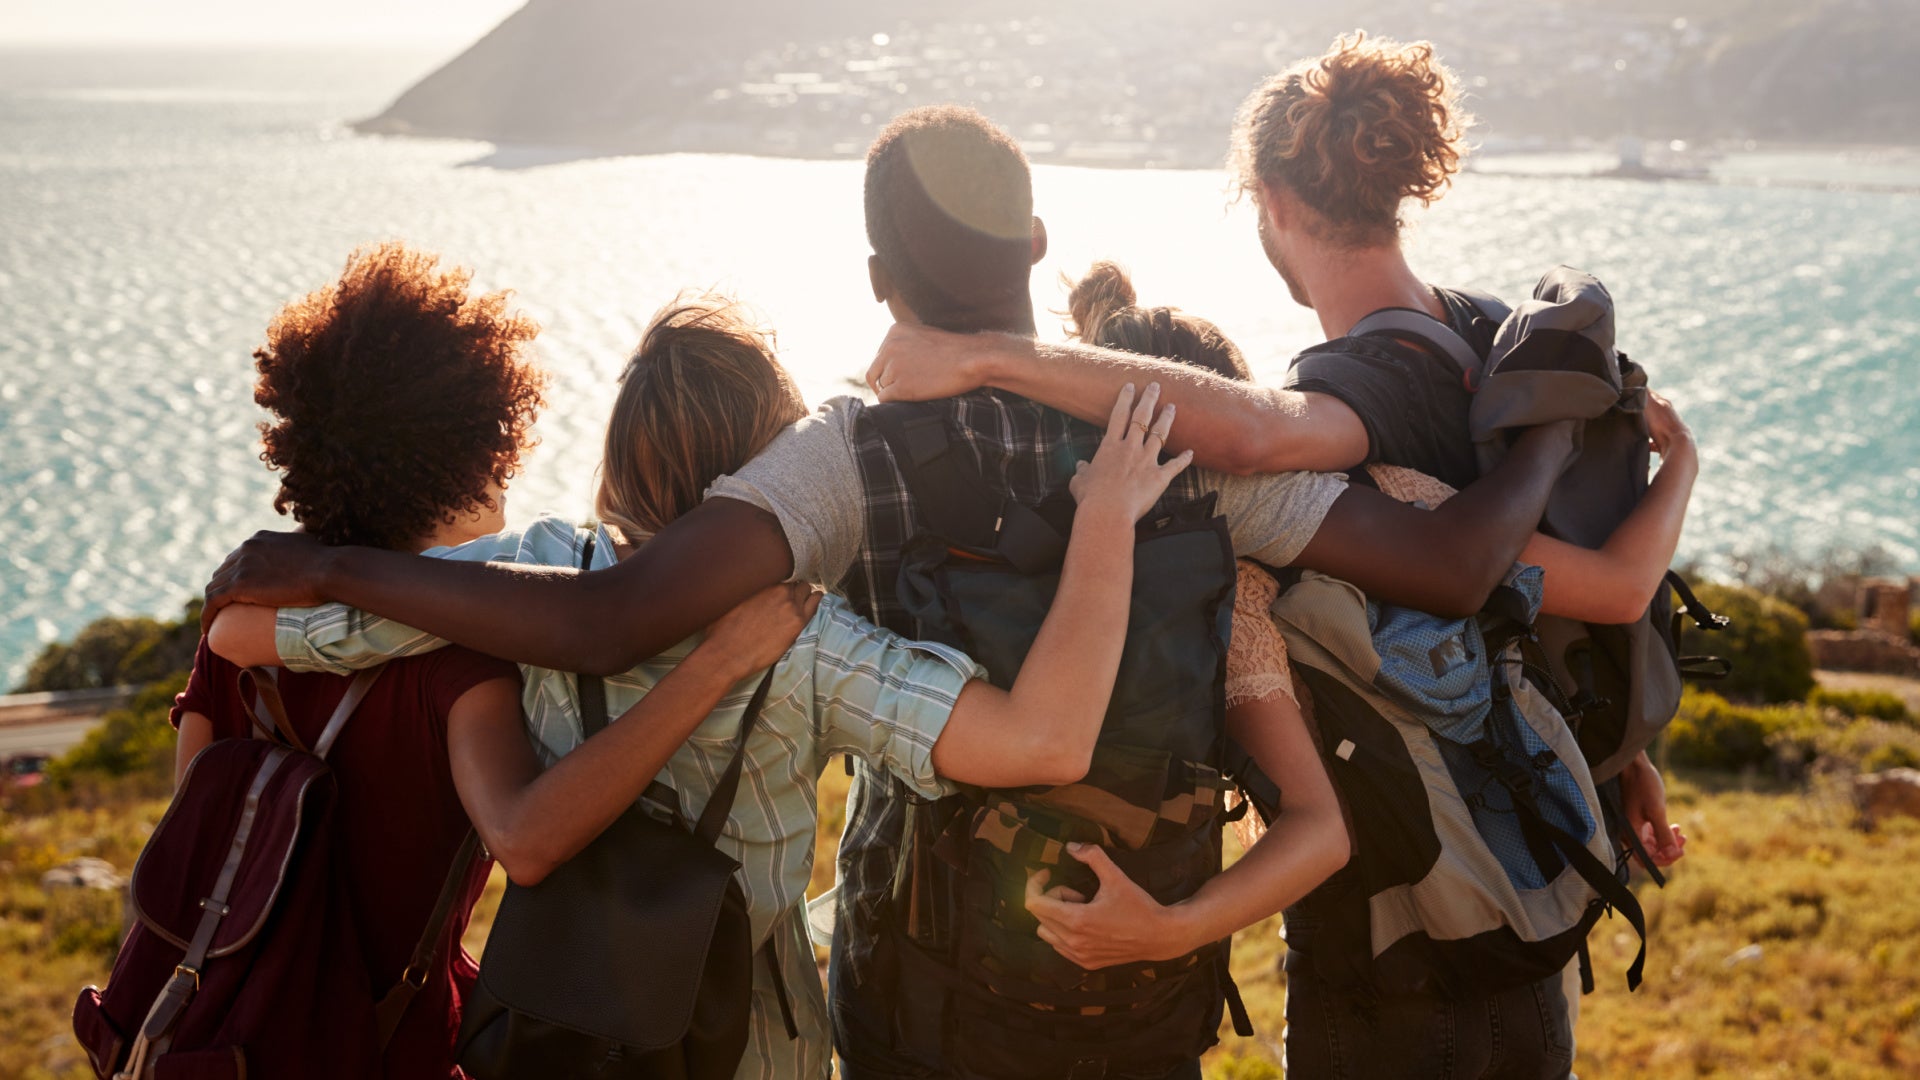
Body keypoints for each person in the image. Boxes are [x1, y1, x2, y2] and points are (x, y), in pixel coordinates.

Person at [198, 106, 1584, 1079]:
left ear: (874, 276)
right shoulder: (1183, 442)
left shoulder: (844, 460)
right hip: (1146, 1001)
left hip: (917, 995)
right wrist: (1540, 416)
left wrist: (330, 563)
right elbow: (1458, 566)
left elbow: (604, 620)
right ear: (1039, 244)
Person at [859, 40, 1695, 1080]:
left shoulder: (1357, 384)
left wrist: (986, 356)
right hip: (1525, 890)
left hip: (1396, 943)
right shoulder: (1487, 338)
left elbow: (1256, 439)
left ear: (1271, 200)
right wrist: (1620, 753)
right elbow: (1546, 599)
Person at [206, 291, 1203, 1079]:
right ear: (770, 472)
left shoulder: (525, 581)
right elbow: (1047, 745)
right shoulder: (808, 641)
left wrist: (346, 574)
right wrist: (1107, 514)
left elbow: (243, 635)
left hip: (557, 1035)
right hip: (750, 1050)